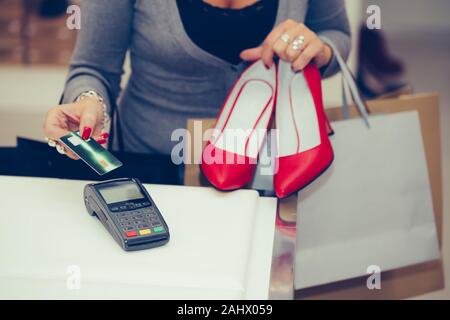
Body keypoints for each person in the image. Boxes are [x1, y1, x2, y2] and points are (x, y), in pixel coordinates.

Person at [43, 0, 350, 159]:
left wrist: (317, 50)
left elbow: (337, 37)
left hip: (269, 166)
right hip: (153, 170)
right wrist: (88, 102)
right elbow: (94, 68)